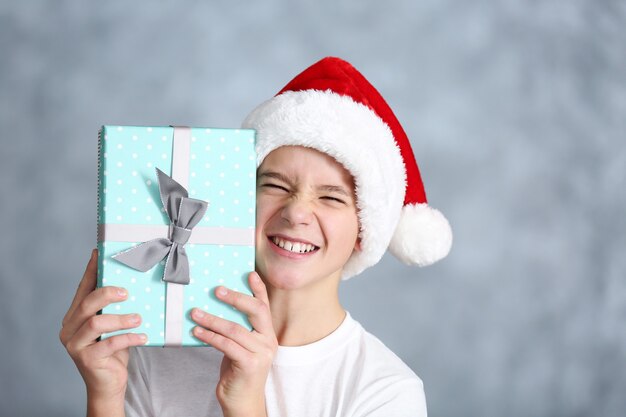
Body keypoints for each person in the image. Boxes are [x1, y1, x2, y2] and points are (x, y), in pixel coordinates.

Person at [60, 56, 452, 417]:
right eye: (276, 185)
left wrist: (246, 404)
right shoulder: (151, 354)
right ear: (238, 201)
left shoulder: (385, 391)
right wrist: (105, 395)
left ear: (364, 232)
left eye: (331, 197)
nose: (297, 212)